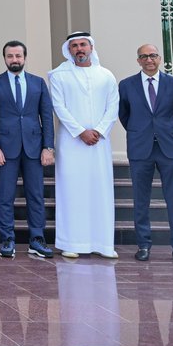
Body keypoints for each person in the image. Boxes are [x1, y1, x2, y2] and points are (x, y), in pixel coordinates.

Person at [118, 44, 173, 265]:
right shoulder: (126, 85)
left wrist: (167, 134)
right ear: (138, 61)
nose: (149, 60)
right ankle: (143, 245)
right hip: (140, 147)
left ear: (160, 58)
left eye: (152, 55)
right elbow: (124, 115)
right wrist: (141, 132)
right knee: (140, 199)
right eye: (143, 56)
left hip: (168, 148)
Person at [48, 31, 119, 260]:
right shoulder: (59, 76)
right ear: (68, 50)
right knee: (72, 191)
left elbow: (113, 107)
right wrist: (81, 132)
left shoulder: (106, 75)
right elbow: (59, 107)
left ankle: (103, 244)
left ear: (91, 47)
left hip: (99, 143)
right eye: (75, 46)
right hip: (71, 143)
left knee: (100, 191)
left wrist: (97, 131)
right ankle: (71, 243)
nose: (79, 49)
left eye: (83, 45)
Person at [0, 40, 55, 259]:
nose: (14, 60)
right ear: (4, 58)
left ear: (25, 57)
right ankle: (7, 238)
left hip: (34, 148)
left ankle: (37, 238)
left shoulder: (38, 83)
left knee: (36, 195)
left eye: (18, 56)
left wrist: (48, 147)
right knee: (5, 195)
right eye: (10, 56)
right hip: (6, 148)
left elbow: (47, 117)